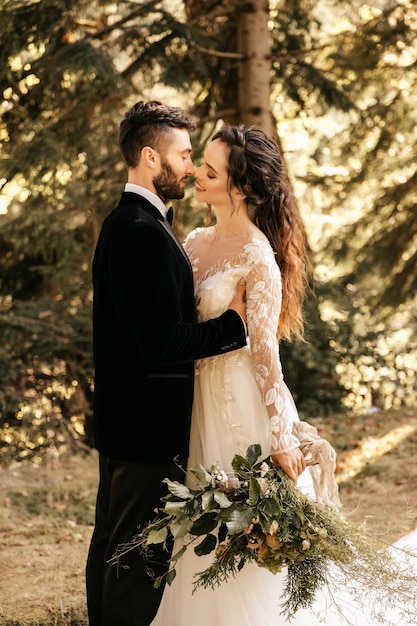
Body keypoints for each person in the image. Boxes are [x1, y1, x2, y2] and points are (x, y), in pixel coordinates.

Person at [150, 124, 336, 626]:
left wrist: (280, 435)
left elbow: (266, 356)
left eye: (210, 172)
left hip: (241, 407)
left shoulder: (258, 257)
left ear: (242, 187)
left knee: (240, 530)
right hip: (198, 402)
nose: (195, 177)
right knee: (201, 525)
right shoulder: (193, 240)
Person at [85, 101, 248, 626]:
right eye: (182, 155)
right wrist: (234, 326)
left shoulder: (128, 223)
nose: (190, 166)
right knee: (136, 562)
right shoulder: (140, 233)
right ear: (151, 157)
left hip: (125, 424)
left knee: (113, 548)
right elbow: (163, 343)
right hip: (147, 430)